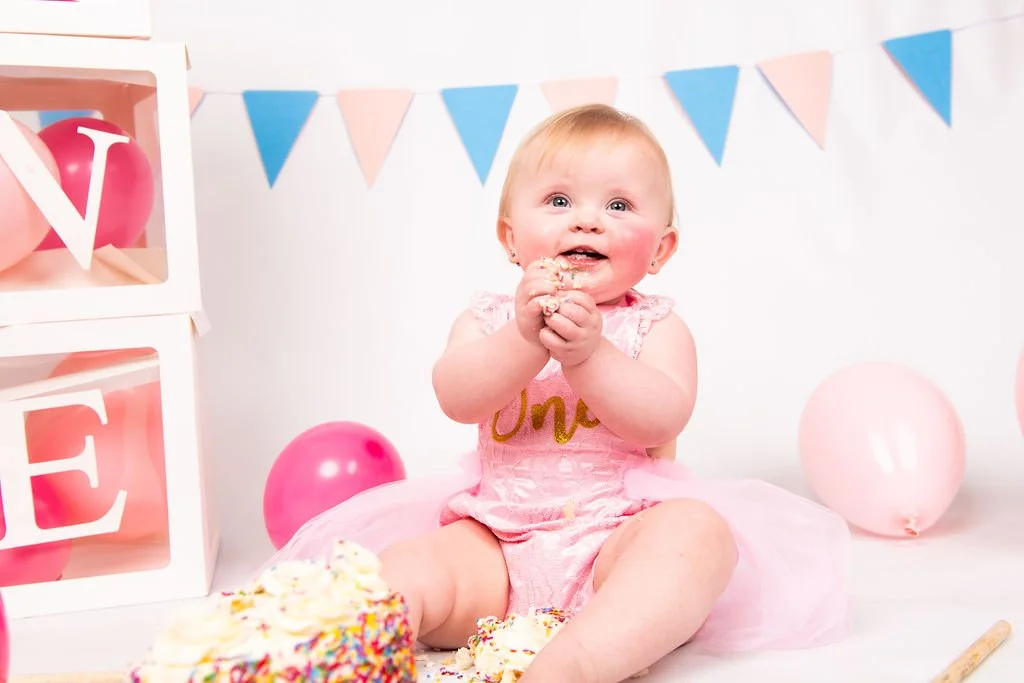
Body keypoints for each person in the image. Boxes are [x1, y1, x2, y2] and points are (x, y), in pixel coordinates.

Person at [263, 103, 852, 682]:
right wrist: (524, 340)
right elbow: (455, 396)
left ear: (660, 250)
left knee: (698, 534)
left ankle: (579, 661)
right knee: (408, 566)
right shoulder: (490, 318)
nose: (588, 221)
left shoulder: (656, 327)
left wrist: (590, 355)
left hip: (615, 541)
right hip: (494, 541)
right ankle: (354, 652)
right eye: (559, 201)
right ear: (510, 238)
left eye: (618, 206)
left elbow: (661, 418)